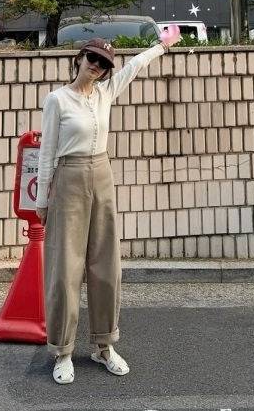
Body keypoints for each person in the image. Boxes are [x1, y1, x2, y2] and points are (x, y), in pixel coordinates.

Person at [36, 25, 181, 385]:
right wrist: (41, 201)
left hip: (102, 174)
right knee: (65, 270)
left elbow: (134, 66)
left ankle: (104, 346)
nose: (96, 66)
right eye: (92, 58)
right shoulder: (57, 100)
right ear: (79, 58)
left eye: (103, 63)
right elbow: (47, 151)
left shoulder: (106, 92)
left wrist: (162, 47)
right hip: (68, 178)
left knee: (106, 265)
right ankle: (63, 351)